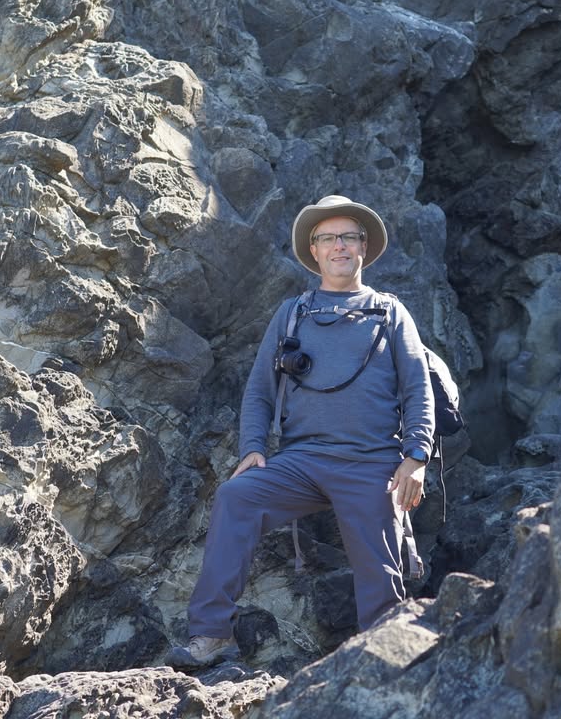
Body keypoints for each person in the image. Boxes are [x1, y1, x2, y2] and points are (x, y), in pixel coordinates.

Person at [164, 195, 435, 668]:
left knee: (381, 574)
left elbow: (418, 390)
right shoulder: (293, 314)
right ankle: (211, 634)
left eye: (348, 237)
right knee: (236, 496)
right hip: (301, 461)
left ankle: (384, 658)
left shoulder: (390, 314)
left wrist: (416, 458)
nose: (339, 247)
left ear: (363, 247)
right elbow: (258, 392)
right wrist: (252, 448)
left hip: (374, 463)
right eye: (328, 238)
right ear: (314, 251)